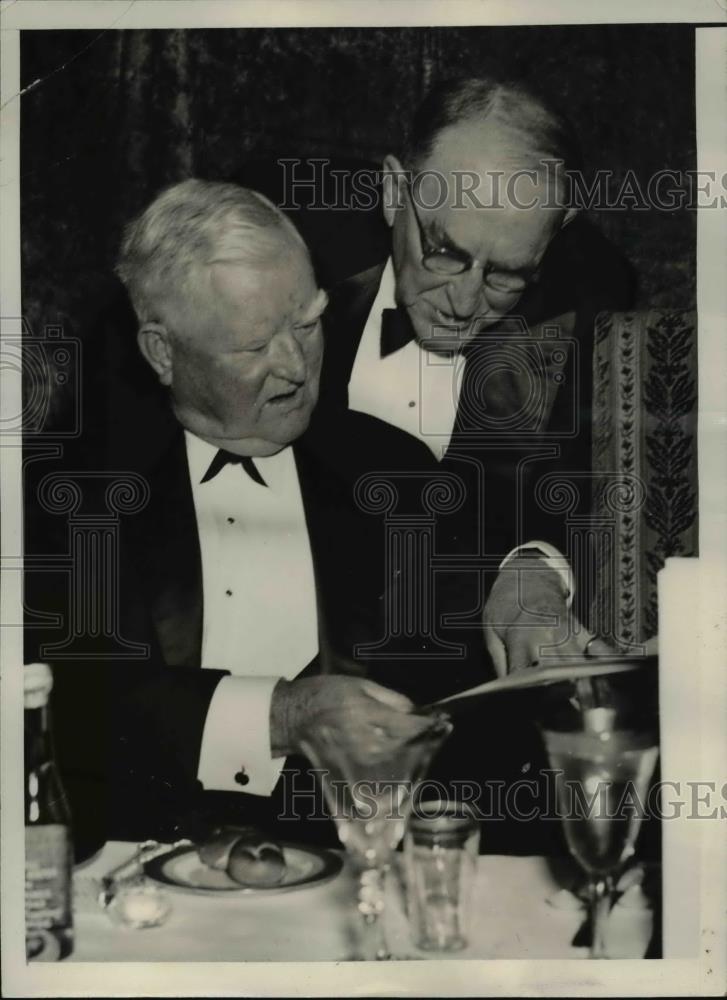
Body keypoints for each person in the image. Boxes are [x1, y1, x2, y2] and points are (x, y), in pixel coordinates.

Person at [23, 179, 438, 849]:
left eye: (308, 324)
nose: (297, 366)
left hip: (356, 866)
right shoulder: (70, 492)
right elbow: (75, 710)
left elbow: (453, 696)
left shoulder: (397, 471)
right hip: (148, 873)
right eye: (252, 348)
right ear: (162, 351)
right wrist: (279, 716)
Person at [235, 75, 631, 681]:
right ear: (395, 191)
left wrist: (534, 571)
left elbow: (573, 488)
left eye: (506, 274)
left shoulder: (587, 296)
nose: (466, 302)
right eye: (444, 251)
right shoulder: (277, 234)